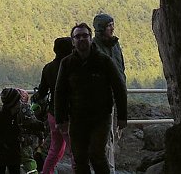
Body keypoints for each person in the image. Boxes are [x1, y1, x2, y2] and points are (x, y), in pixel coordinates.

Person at [54, 23, 127, 174]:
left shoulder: (104, 61)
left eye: (85, 35)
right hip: (77, 117)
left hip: (101, 117)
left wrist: (122, 117)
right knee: (79, 158)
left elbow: (119, 88)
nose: (81, 39)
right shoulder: (67, 63)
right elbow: (60, 92)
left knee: (97, 154)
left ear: (91, 38)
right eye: (77, 36)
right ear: (73, 41)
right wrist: (61, 119)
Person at [31, 36, 73, 174]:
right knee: (75, 152)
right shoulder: (71, 66)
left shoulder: (48, 68)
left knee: (55, 149)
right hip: (68, 116)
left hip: (53, 115)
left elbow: (42, 92)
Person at [92, 13, 127, 171]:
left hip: (116, 97)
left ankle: (110, 169)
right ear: (100, 29)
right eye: (109, 26)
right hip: (102, 100)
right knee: (104, 138)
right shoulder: (94, 47)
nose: (112, 28)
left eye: (112, 24)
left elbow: (121, 68)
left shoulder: (115, 45)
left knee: (112, 138)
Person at [0, 87, 45, 174]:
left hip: (13, 153)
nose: (20, 103)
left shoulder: (16, 115)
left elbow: (32, 123)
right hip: (1, 154)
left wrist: (45, 126)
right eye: (18, 101)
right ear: (12, 104)